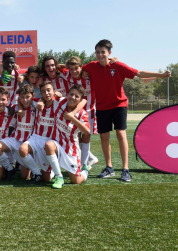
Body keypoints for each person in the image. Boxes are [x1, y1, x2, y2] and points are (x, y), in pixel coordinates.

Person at [82, 39, 171, 182]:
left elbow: (139, 73)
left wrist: (162, 75)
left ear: (109, 53)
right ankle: (109, 168)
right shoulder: (91, 66)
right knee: (104, 137)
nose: (100, 55)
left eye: (103, 52)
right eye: (97, 52)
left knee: (121, 134)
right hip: (102, 107)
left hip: (119, 105)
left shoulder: (118, 66)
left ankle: (125, 169)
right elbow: (73, 67)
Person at [44, 85, 91, 189]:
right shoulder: (60, 102)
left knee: (76, 181)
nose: (73, 97)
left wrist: (72, 118)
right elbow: (46, 96)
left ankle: (86, 169)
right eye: (71, 94)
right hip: (56, 143)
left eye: (76, 96)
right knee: (49, 145)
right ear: (67, 94)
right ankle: (59, 177)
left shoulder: (82, 113)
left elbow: (87, 131)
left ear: (80, 99)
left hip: (71, 149)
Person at [0, 84, 36, 181]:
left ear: (33, 96)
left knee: (25, 177)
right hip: (15, 139)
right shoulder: (14, 109)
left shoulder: (36, 107)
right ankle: (9, 168)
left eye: (28, 97)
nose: (25, 100)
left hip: (28, 143)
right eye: (22, 97)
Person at [64, 56, 99, 169]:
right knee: (76, 137)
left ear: (81, 67)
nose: (74, 71)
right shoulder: (67, 75)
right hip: (75, 111)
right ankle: (87, 159)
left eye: (76, 68)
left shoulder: (90, 75)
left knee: (86, 136)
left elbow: (100, 65)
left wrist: (112, 59)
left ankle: (84, 164)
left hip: (89, 110)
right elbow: (58, 67)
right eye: (71, 69)